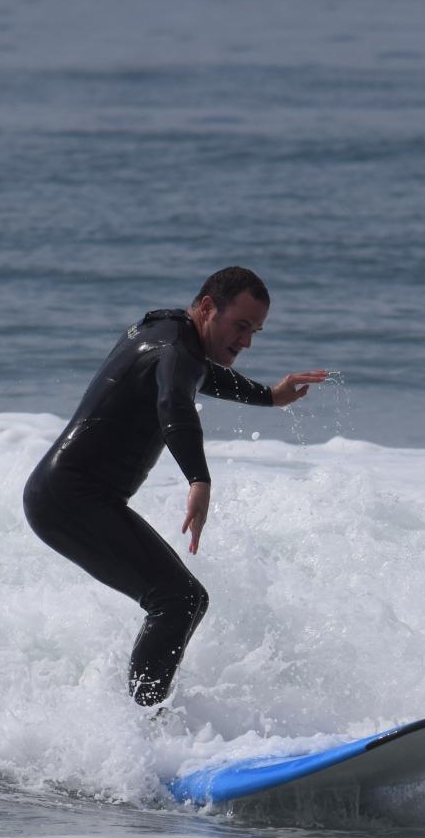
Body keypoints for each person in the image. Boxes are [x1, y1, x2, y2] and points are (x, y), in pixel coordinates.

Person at [23, 266, 330, 706]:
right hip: (70, 498)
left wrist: (269, 396)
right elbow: (175, 403)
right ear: (207, 308)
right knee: (178, 599)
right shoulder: (175, 349)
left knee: (179, 599)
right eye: (240, 326)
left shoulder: (171, 335)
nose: (246, 342)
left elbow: (197, 375)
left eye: (255, 331)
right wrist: (199, 478)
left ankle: (140, 723)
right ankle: (144, 728)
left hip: (68, 496)